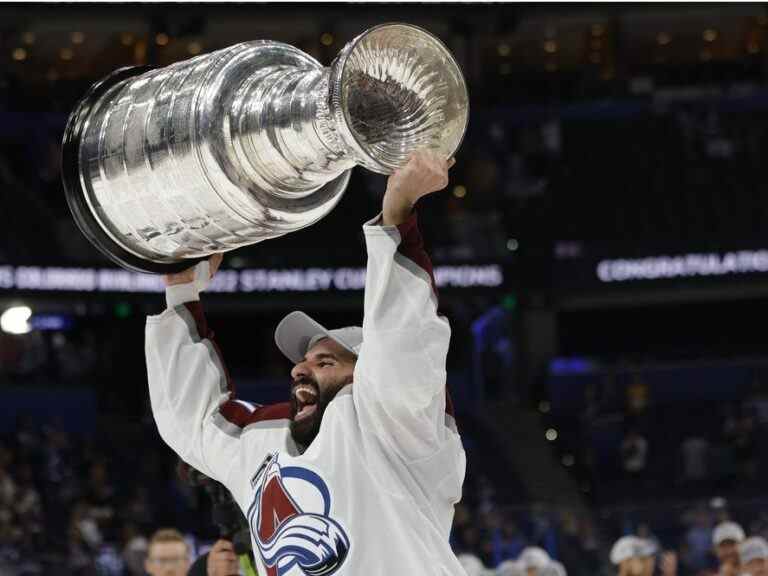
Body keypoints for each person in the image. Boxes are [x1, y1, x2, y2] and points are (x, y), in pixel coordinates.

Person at [146, 151, 466, 575]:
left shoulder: (397, 431)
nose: (300, 368)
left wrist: (396, 217)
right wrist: (181, 293)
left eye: (326, 362)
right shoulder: (263, 442)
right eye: (303, 361)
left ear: (365, 375)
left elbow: (403, 346)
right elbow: (191, 419)